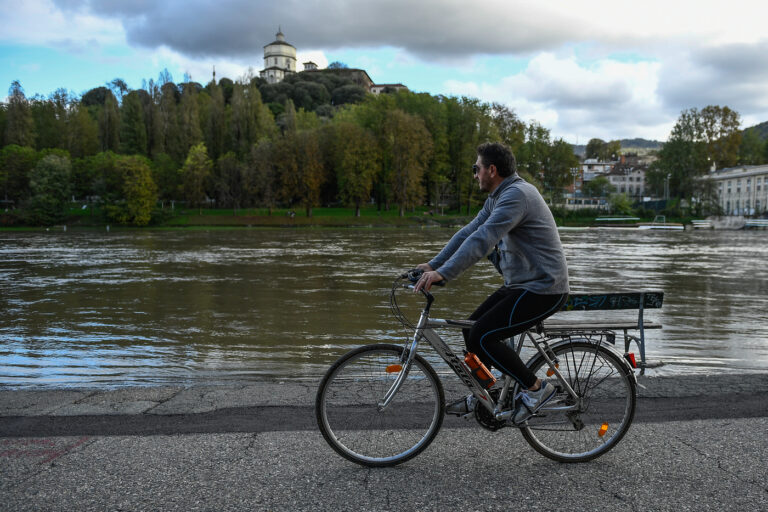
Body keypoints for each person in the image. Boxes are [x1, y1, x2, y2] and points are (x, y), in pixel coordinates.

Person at [413, 142, 569, 424]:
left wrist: (444, 274)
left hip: (544, 288)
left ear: (492, 170)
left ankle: (536, 389)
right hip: (522, 284)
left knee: (483, 336)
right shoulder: (499, 198)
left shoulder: (516, 196)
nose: (475, 174)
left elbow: (483, 239)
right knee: (469, 330)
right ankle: (488, 393)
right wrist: (433, 264)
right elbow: (468, 232)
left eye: (477, 168)